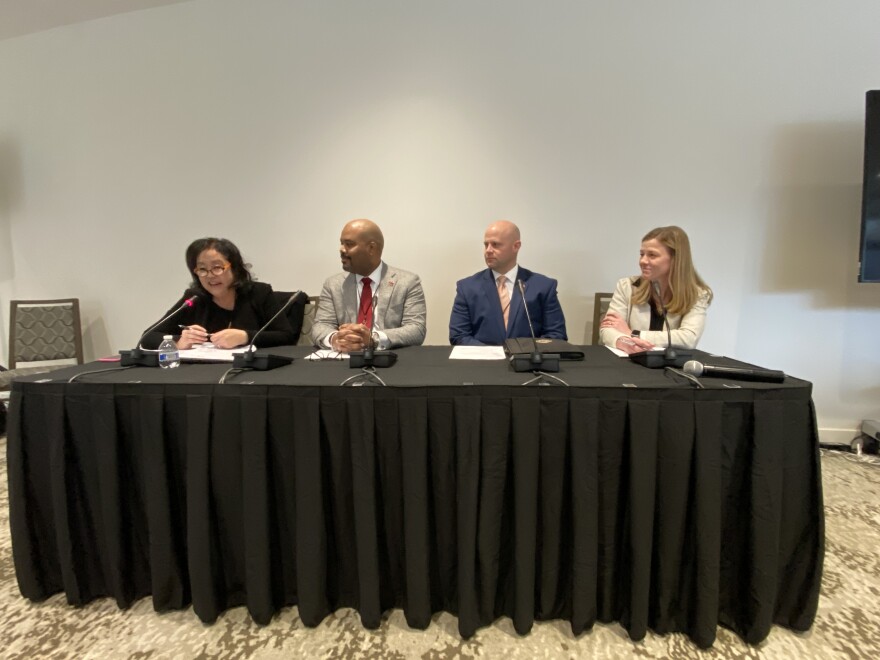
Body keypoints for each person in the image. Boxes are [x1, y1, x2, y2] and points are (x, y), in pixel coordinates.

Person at [140, 237, 302, 349]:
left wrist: (245, 336)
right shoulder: (194, 298)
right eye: (202, 269)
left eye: (217, 267)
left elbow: (286, 336)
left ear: (235, 267)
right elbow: (148, 337)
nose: (210, 275)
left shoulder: (259, 293)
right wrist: (178, 341)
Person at [310, 219, 427, 352]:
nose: (341, 249)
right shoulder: (333, 284)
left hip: (389, 360)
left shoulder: (407, 282)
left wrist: (373, 339)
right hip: (343, 361)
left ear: (371, 248)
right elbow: (320, 325)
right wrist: (336, 339)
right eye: (341, 243)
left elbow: (417, 329)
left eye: (349, 244)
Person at [449, 220, 568, 345]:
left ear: (516, 246)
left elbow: (556, 335)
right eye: (486, 245)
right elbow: (459, 336)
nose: (488, 250)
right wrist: (493, 354)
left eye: (495, 244)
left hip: (528, 362)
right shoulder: (467, 287)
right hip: (483, 362)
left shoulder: (543, 287)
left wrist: (523, 352)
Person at [599, 225, 712, 354]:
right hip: (630, 361)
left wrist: (634, 334)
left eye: (652, 255)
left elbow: (689, 338)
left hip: (670, 367)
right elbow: (607, 329)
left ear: (676, 259)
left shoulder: (698, 294)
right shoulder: (627, 286)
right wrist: (626, 343)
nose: (643, 261)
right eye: (642, 254)